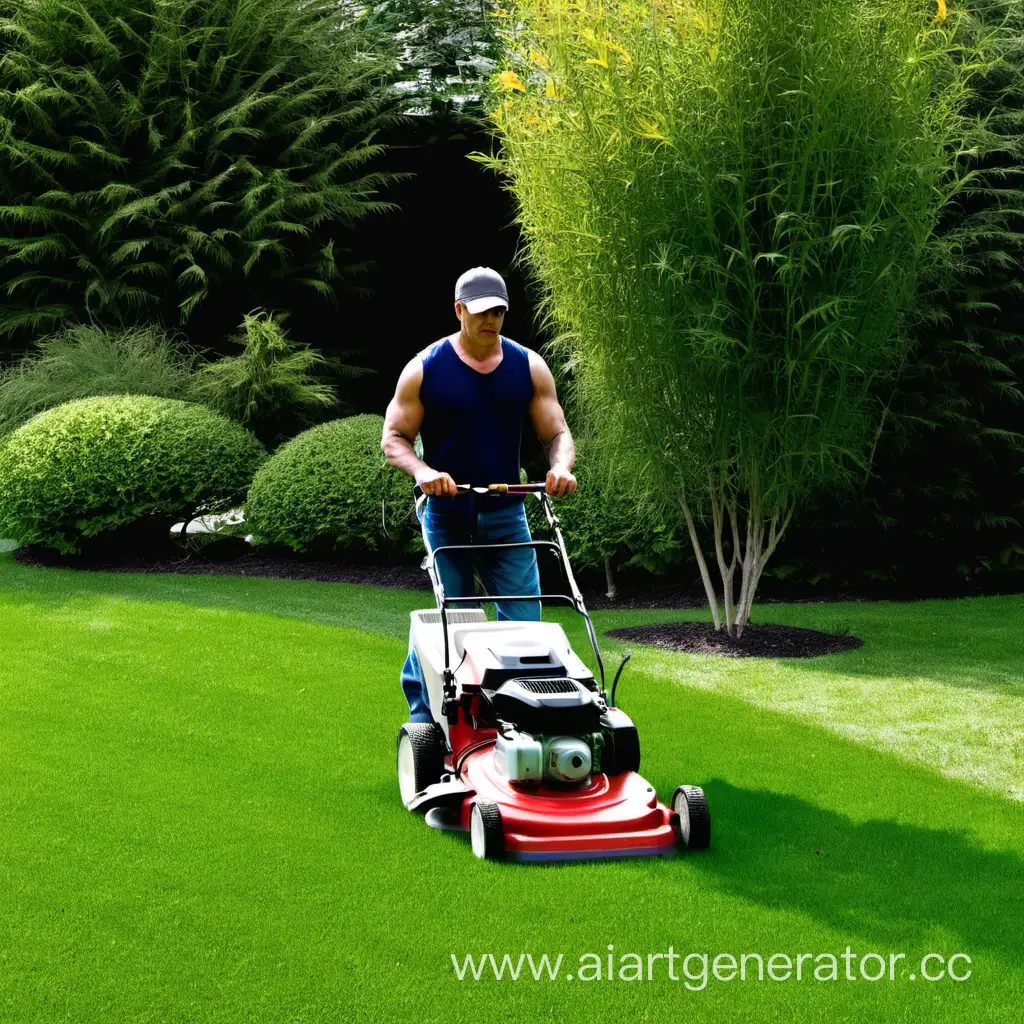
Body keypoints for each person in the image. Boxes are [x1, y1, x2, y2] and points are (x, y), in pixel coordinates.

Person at [381, 266, 578, 723]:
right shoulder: (425, 369)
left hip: (507, 514)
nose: (491, 321)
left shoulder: (527, 366)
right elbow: (394, 438)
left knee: (528, 625)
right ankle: (424, 719)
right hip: (449, 515)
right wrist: (423, 470)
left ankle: (521, 715)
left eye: (499, 312)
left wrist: (561, 467)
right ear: (459, 311)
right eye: (482, 312)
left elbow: (558, 433)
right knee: (454, 624)